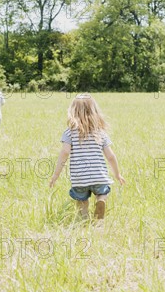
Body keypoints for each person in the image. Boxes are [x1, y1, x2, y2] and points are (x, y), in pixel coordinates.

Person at [49, 93, 126, 221]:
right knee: (102, 193)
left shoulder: (69, 132)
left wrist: (55, 176)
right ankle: (100, 202)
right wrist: (117, 174)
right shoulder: (100, 132)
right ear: (94, 111)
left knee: (82, 200)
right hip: (99, 176)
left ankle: (84, 219)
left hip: (80, 178)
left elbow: (64, 153)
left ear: (73, 111)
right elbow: (111, 156)